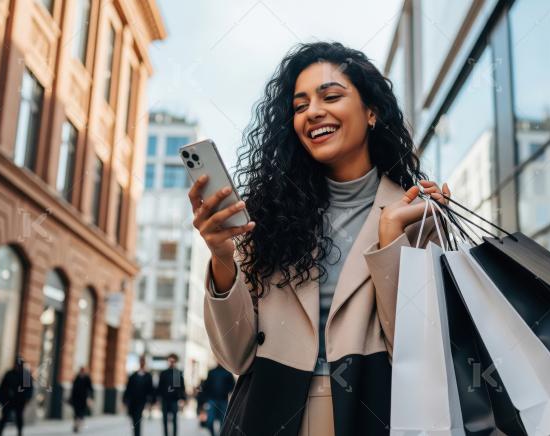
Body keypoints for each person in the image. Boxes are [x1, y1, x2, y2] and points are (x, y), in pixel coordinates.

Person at [191, 41, 449, 436]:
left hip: (375, 414)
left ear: (372, 112)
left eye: (331, 96)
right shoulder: (269, 217)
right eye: (299, 105)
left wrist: (390, 240)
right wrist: (222, 257)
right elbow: (236, 356)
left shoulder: (418, 215)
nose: (312, 112)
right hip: (269, 416)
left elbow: (419, 355)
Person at [0, 357, 33, 436]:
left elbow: (29, 389)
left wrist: (27, 398)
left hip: (20, 400)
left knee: (19, 417)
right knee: (4, 417)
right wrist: (1, 399)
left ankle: (19, 433)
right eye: (16, 364)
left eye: (19, 365)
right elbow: (2, 387)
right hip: (8, 400)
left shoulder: (25, 375)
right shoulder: (9, 373)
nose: (17, 366)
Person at [123, 356, 155, 436]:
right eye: (141, 361)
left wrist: (151, 402)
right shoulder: (133, 375)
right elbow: (128, 388)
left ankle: (137, 434)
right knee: (133, 419)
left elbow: (151, 390)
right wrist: (125, 400)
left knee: (138, 418)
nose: (142, 363)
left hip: (142, 401)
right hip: (133, 401)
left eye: (143, 361)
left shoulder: (148, 376)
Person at [156, 353, 186, 436]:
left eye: (173, 361)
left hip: (174, 400)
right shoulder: (164, 373)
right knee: (164, 420)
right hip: (165, 400)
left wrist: (182, 399)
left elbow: (181, 388)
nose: (172, 362)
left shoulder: (177, 373)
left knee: (174, 420)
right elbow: (160, 387)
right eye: (170, 360)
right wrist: (157, 399)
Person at [201, 364, 235, 436]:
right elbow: (206, 386)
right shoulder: (211, 372)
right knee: (210, 421)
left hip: (223, 400)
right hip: (212, 400)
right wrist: (204, 400)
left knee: (222, 422)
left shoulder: (227, 372)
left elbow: (232, 385)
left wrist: (226, 391)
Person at [69, 366, 93, 433]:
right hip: (76, 399)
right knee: (76, 412)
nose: (82, 372)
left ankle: (79, 425)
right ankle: (76, 425)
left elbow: (90, 389)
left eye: (83, 371)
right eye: (81, 371)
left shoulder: (87, 378)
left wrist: (90, 398)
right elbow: (73, 389)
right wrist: (71, 398)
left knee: (81, 413)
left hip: (84, 399)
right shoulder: (77, 378)